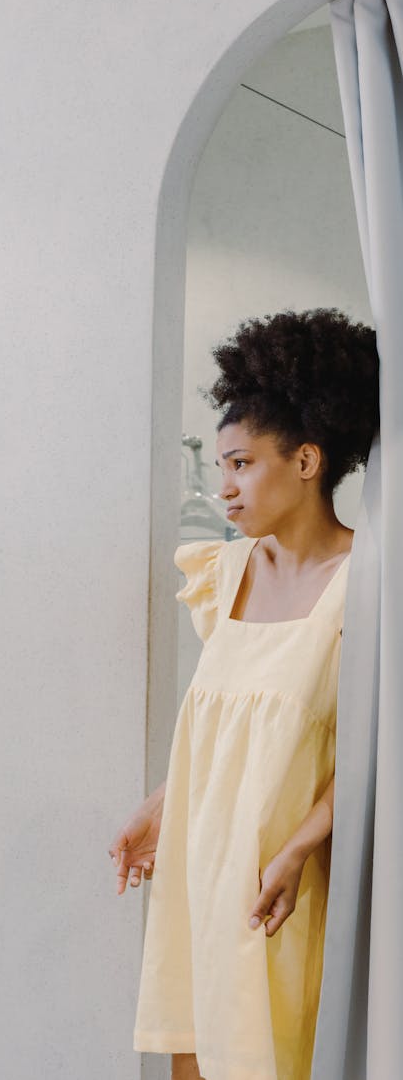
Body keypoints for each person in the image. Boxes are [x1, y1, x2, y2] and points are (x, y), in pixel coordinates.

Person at [110, 310, 379, 1080]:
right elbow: (226, 736)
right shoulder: (222, 575)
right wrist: (164, 803)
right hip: (204, 869)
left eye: (240, 464)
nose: (222, 487)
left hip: (285, 888)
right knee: (188, 1060)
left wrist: (299, 847)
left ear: (306, 459)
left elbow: (372, 747)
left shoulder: (364, 588)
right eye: (220, 465)